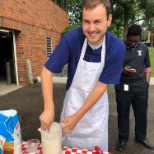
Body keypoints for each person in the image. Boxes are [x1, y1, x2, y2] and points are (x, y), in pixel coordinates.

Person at [39, 0, 125, 152]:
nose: (91, 29)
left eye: (97, 21)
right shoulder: (72, 39)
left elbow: (101, 85)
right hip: (71, 110)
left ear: (109, 20)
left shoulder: (117, 47)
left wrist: (78, 117)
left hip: (96, 117)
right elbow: (47, 71)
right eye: (86, 22)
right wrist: (49, 107)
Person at [115, 24, 154, 151]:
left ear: (139, 38)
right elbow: (111, 67)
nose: (132, 44)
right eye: (130, 41)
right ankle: (122, 139)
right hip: (123, 85)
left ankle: (141, 137)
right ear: (126, 37)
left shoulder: (143, 48)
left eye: (135, 41)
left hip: (140, 86)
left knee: (142, 113)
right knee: (123, 113)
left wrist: (146, 84)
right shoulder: (119, 48)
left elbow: (147, 66)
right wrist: (122, 71)